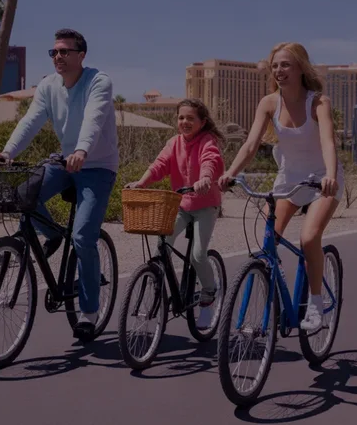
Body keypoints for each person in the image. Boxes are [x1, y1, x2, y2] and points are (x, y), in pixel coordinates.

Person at [0, 28, 118, 340]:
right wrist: (7, 152)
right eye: (54, 52)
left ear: (81, 55)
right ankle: (51, 234)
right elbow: (31, 120)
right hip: (65, 162)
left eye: (65, 51)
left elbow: (94, 118)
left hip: (97, 166)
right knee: (22, 195)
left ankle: (89, 313)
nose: (58, 57)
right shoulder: (48, 85)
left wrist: (82, 150)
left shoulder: (98, 81)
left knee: (84, 238)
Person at [217, 42, 342, 331]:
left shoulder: (318, 102)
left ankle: (315, 303)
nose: (279, 70)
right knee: (267, 239)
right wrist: (230, 173)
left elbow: (327, 142)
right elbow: (250, 145)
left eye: (285, 65)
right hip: (289, 179)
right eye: (274, 66)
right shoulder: (269, 103)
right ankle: (272, 289)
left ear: (300, 67)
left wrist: (331, 176)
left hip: (322, 178)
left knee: (309, 238)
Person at [124, 99, 226, 328]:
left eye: (190, 118)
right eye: (181, 118)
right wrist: (141, 183)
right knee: (162, 245)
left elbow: (210, 160)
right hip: (181, 203)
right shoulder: (173, 143)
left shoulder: (207, 141)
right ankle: (161, 283)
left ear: (202, 122)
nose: (185, 122)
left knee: (198, 255)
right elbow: (159, 164)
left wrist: (206, 178)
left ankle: (209, 294)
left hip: (206, 205)